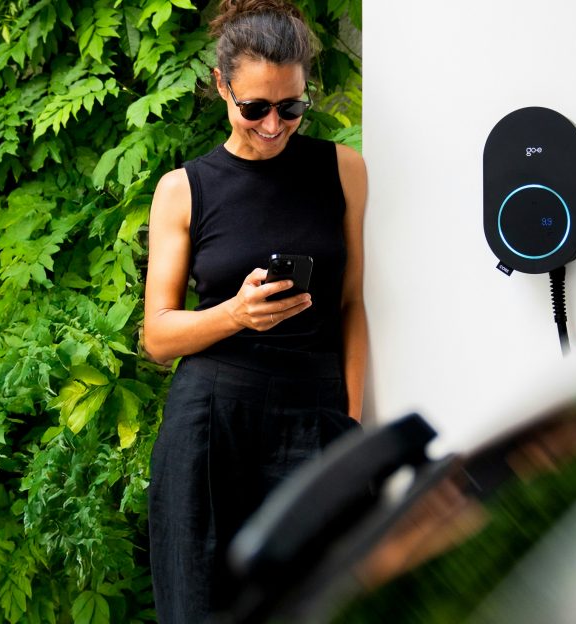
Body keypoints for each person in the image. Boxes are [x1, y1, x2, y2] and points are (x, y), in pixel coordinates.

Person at [141, 0, 368, 621]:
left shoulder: (343, 170)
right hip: (211, 423)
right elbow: (157, 337)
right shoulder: (183, 189)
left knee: (318, 602)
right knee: (200, 605)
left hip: (315, 413)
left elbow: (351, 304)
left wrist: (348, 421)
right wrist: (235, 315)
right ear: (222, 86)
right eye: (255, 108)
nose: (274, 124)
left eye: (291, 107)